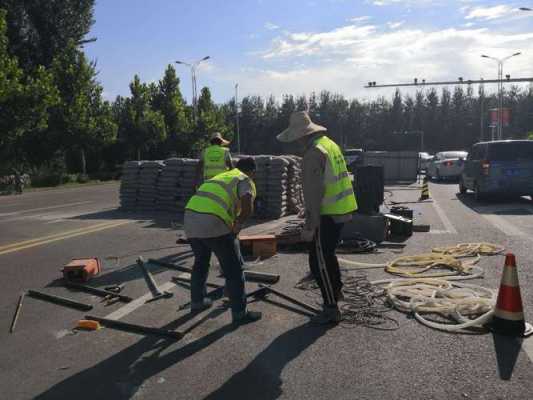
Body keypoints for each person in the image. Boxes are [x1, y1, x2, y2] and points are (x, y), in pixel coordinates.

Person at [277, 111, 358, 324]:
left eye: (296, 140)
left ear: (302, 136)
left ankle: (331, 307)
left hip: (326, 215)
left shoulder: (313, 153)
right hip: (340, 210)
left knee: (318, 262)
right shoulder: (329, 144)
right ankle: (336, 292)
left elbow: (315, 191)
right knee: (328, 256)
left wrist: (310, 224)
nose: (295, 145)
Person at [184, 157, 262, 325]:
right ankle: (240, 313)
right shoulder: (244, 179)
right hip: (214, 221)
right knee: (234, 270)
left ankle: (197, 302)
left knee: (201, 262)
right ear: (252, 171)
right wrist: (238, 226)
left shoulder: (221, 177)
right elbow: (248, 207)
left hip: (190, 219)